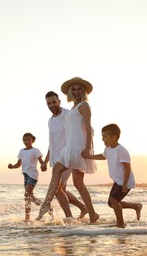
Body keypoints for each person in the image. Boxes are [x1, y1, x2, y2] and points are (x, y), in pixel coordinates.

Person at [36, 77, 99, 222]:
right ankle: (92, 214)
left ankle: (46, 204)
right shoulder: (73, 108)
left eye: (79, 89)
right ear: (70, 92)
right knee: (78, 183)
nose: (76, 92)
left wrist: (88, 148)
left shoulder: (84, 106)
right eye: (74, 89)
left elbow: (89, 129)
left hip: (76, 148)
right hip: (71, 148)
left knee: (57, 171)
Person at [82, 123, 143, 228]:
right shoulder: (108, 149)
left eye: (105, 136)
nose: (102, 139)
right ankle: (136, 206)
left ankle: (120, 223)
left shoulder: (122, 150)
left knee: (114, 200)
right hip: (118, 181)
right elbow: (103, 156)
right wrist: (89, 157)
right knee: (111, 203)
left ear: (114, 137)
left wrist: (124, 183)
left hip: (125, 181)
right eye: (102, 136)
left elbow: (127, 168)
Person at [42, 91, 87, 218]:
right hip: (55, 160)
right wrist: (46, 161)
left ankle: (69, 217)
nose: (52, 105)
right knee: (62, 190)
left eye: (54, 102)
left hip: (67, 157)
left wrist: (84, 149)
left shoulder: (69, 115)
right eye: (49, 103)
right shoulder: (50, 121)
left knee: (57, 190)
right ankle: (83, 208)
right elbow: (52, 143)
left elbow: (81, 131)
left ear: (59, 102)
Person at [8, 132, 51, 221]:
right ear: (23, 141)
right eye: (25, 140)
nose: (27, 141)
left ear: (32, 140)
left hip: (33, 176)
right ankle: (46, 207)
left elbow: (41, 161)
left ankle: (27, 218)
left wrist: (44, 165)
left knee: (26, 195)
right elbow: (18, 164)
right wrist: (12, 166)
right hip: (25, 176)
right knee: (31, 198)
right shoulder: (21, 151)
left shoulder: (35, 150)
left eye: (28, 139)